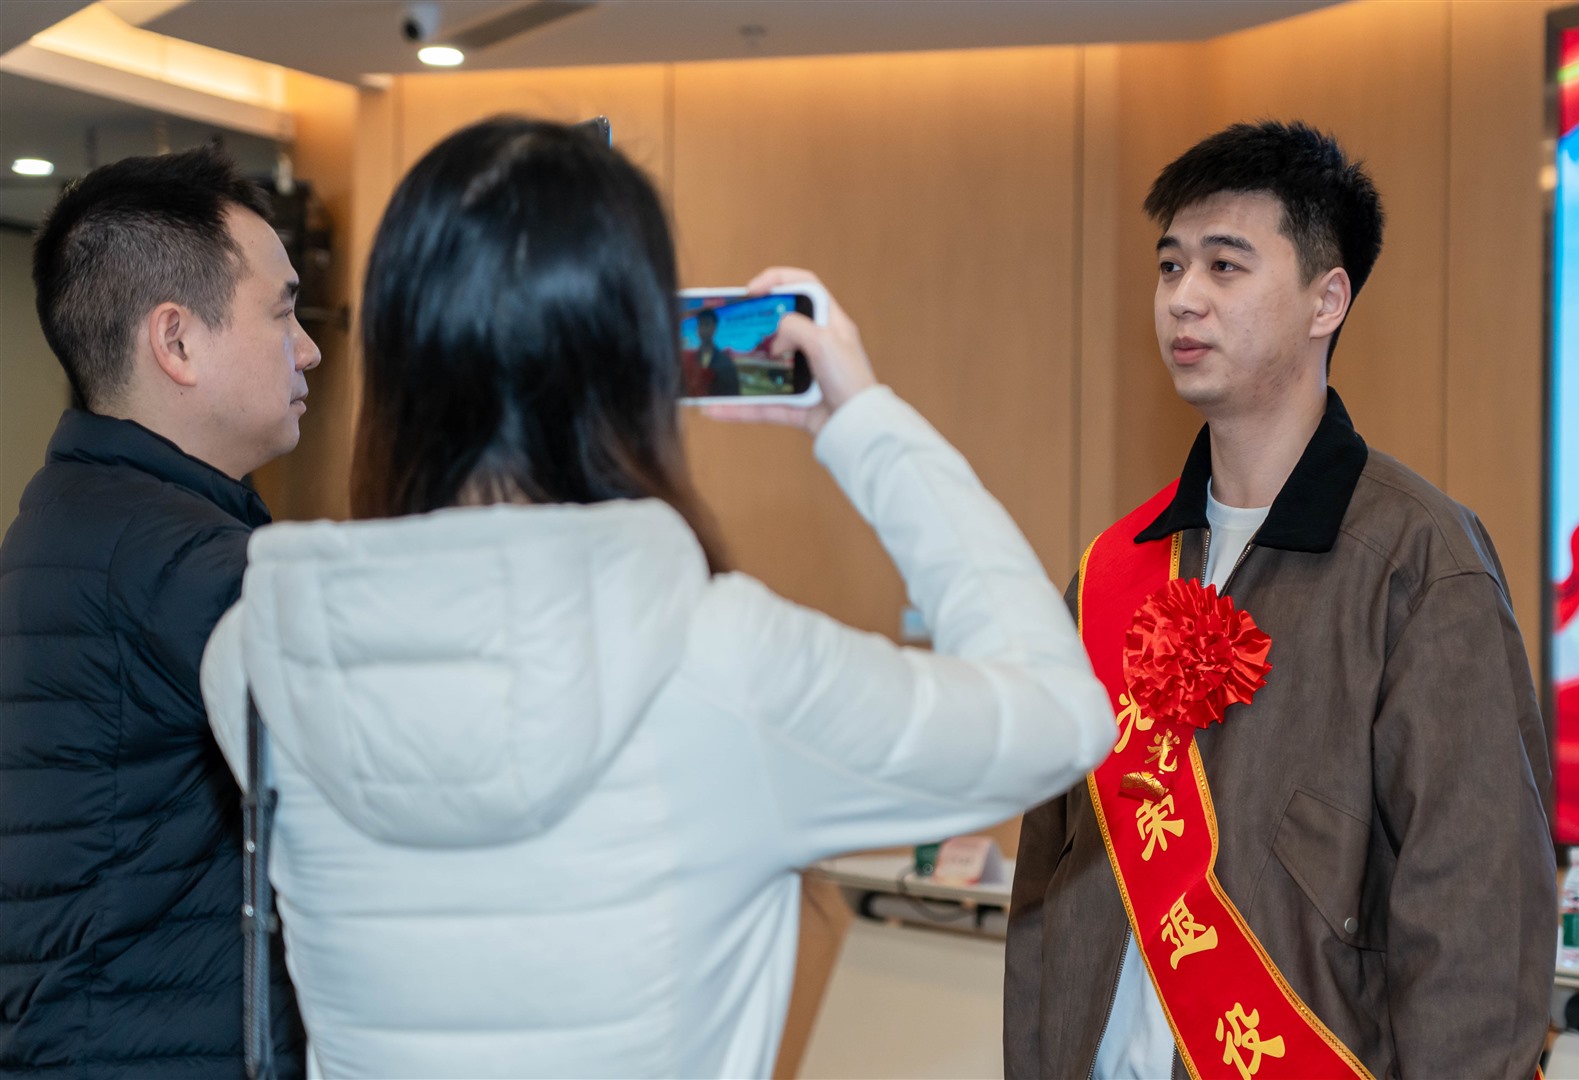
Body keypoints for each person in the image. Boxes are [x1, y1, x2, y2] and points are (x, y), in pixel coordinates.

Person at [195, 117, 1113, 1078]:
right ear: (638, 363)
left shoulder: (251, 657)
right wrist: (866, 424)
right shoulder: (727, 662)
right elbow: (1060, 716)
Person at [1003, 120, 1555, 1080]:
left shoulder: (1419, 562)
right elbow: (1046, 881)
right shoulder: (1112, 571)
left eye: (1225, 266)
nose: (1184, 297)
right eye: (1170, 265)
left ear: (1325, 300)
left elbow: (1477, 917)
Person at [0, 148, 316, 1075]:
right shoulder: (175, 559)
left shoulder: (79, 513)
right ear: (175, 342)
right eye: (283, 311)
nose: (308, 347)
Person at [693, 305, 742, 396]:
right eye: (700, 325)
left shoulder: (726, 362)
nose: (703, 329)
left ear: (714, 327)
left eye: (707, 324)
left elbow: (734, 395)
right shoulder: (690, 360)